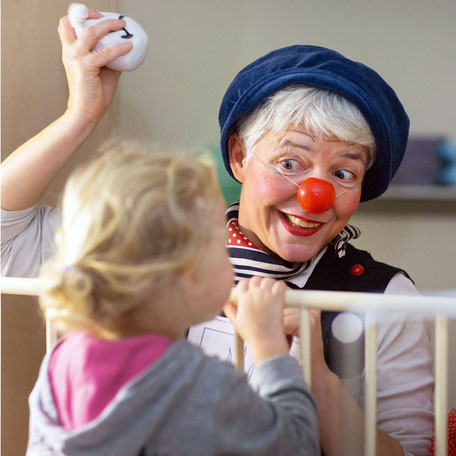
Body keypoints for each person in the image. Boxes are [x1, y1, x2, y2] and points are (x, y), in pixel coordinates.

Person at [1, 6, 433, 456]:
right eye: (290, 162)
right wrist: (80, 115)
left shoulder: (386, 296)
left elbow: (414, 450)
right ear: (240, 157)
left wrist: (317, 378)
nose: (315, 195)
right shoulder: (148, 248)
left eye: (344, 174)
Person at [25, 144, 319, 455]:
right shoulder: (197, 384)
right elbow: (295, 445)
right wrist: (269, 346)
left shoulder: (59, 361)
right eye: (222, 246)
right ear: (189, 277)